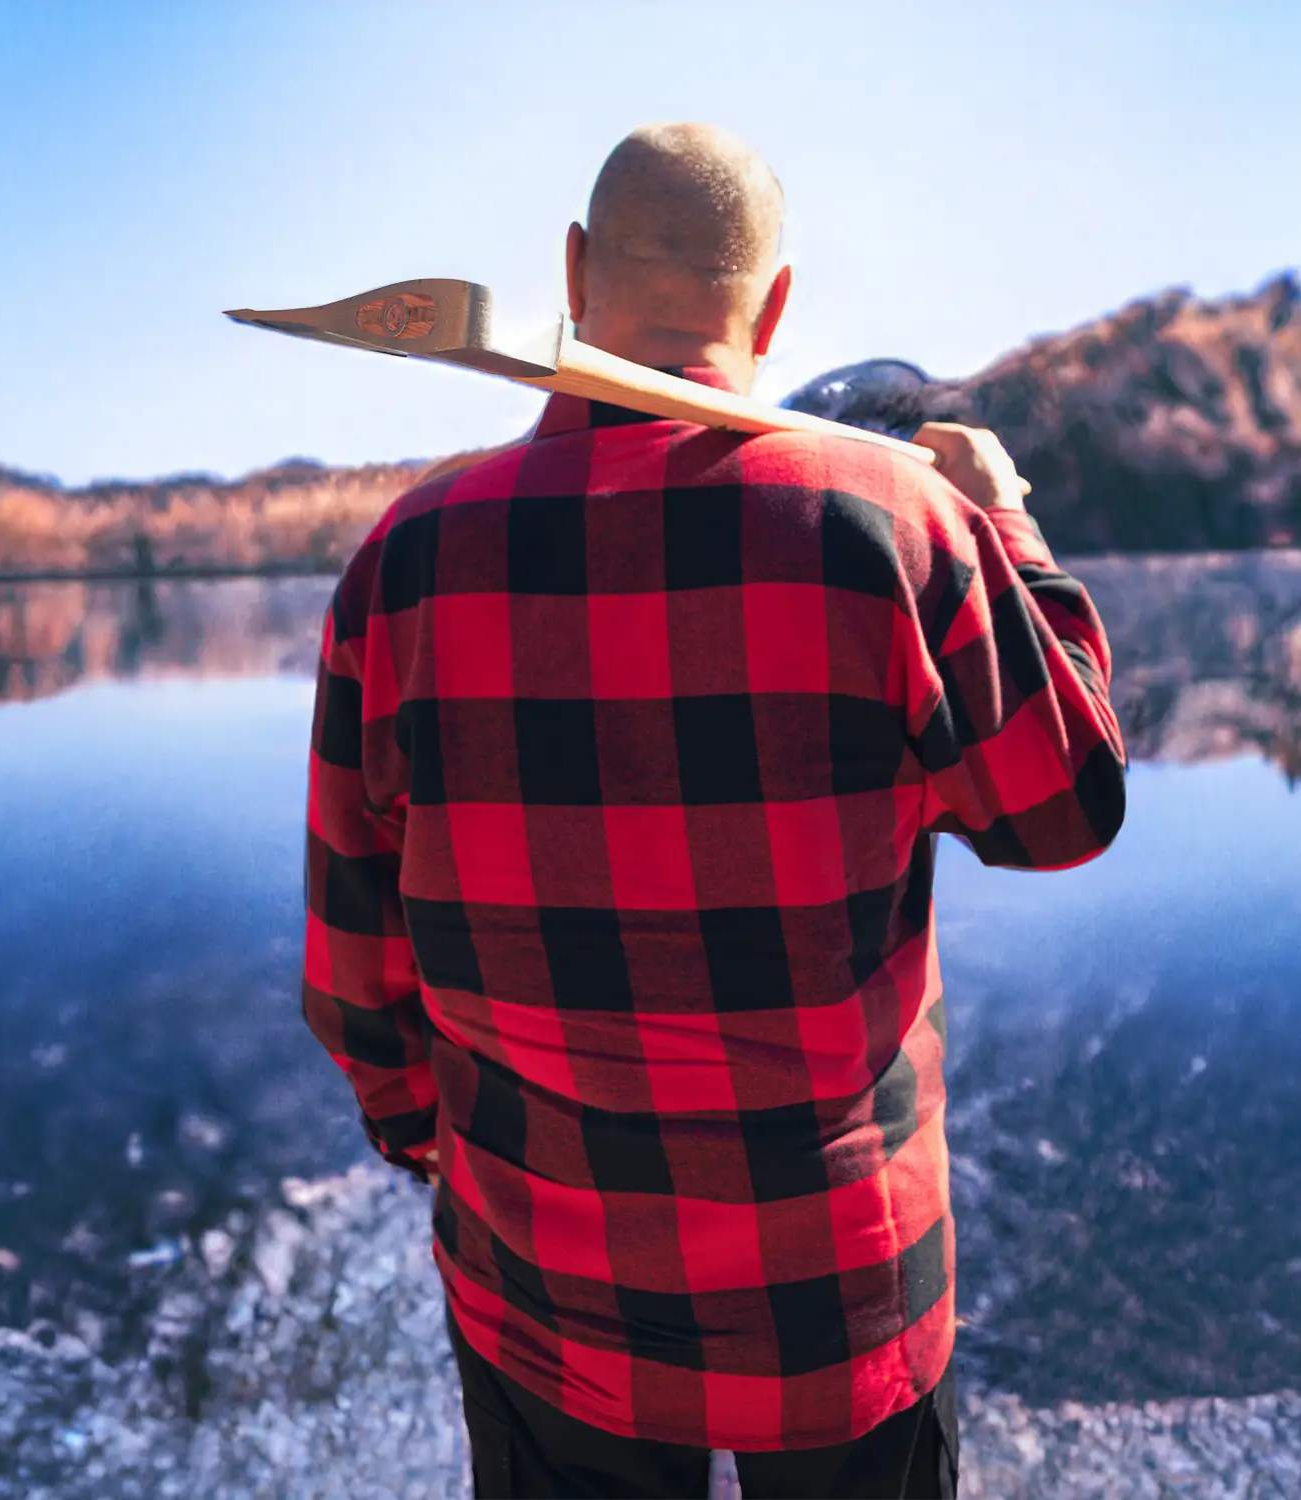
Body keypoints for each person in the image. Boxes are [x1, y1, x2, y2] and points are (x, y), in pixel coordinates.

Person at [302, 122, 1127, 1500]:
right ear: (776, 305)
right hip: (838, 1296)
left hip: (544, 1286)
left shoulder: (404, 562)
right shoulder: (898, 527)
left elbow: (355, 964)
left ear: (575, 270)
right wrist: (1009, 534)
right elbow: (1066, 808)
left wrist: (425, 1139)